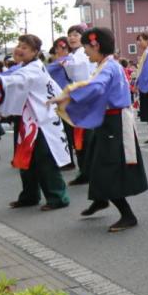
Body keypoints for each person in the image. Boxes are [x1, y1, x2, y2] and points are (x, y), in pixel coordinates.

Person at [50, 27, 148, 232]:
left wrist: (69, 95)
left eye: (86, 47)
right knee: (95, 161)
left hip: (115, 122)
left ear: (96, 46)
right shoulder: (106, 64)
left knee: (108, 167)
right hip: (108, 120)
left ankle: (128, 215)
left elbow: (96, 87)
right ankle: (100, 199)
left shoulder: (109, 67)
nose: (85, 52)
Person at [0, 35, 71, 210]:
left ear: (35, 52)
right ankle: (29, 196)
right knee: (25, 158)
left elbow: (12, 80)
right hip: (27, 119)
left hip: (41, 121)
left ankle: (58, 197)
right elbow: (8, 77)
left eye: (25, 47)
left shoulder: (33, 68)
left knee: (44, 160)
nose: (19, 49)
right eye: (19, 45)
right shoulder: (22, 67)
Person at [63, 25, 92, 183]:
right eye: (70, 35)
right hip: (78, 100)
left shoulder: (83, 55)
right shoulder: (73, 55)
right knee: (80, 138)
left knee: (84, 138)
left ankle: (87, 171)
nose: (72, 38)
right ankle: (85, 170)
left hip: (85, 100)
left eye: (76, 34)